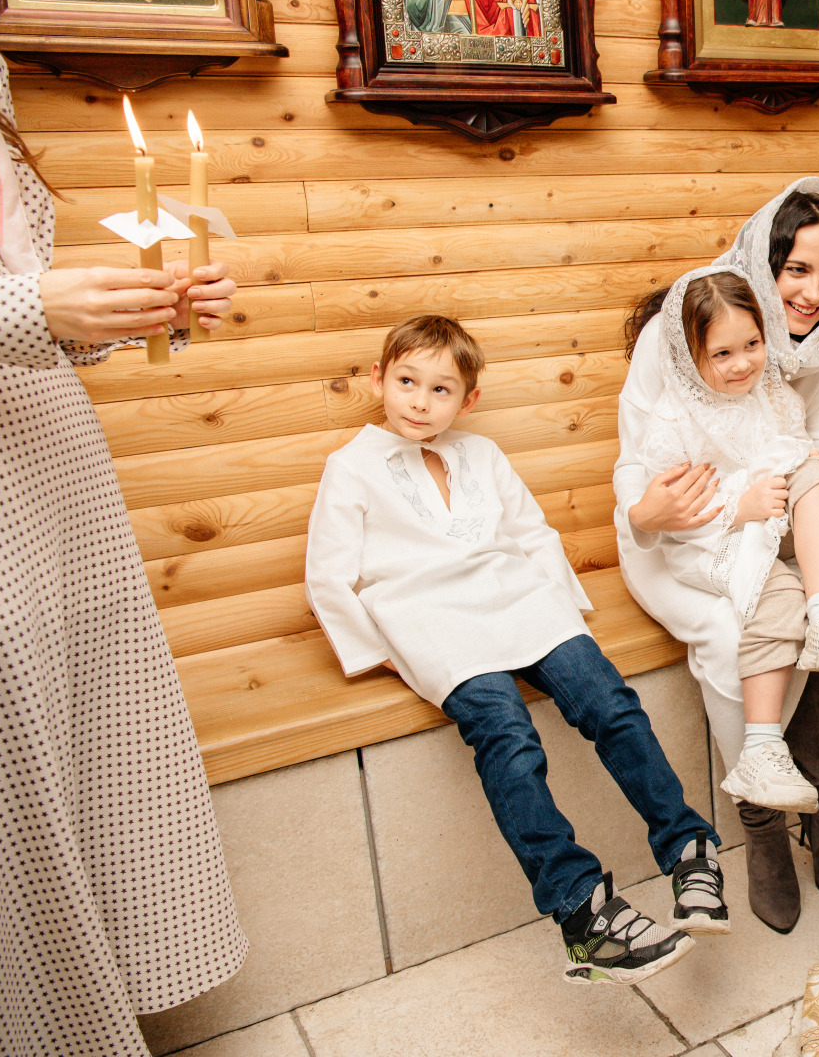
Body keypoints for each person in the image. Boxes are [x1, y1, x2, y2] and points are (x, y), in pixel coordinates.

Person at [305, 315, 727, 986]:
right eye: (407, 381)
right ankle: (581, 912)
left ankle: (688, 847)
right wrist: (383, 652)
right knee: (507, 733)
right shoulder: (351, 467)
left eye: (440, 389)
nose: (420, 400)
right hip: (430, 620)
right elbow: (328, 575)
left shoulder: (483, 456)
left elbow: (533, 538)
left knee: (608, 700)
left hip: (519, 601)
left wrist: (562, 618)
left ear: (467, 399)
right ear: (380, 379)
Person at [0, 38, 248, 1055]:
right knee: (7, 788)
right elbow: (14, 305)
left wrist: (140, 307)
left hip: (58, 477)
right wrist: (30, 304)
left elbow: (25, 304)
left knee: (94, 750)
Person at [616, 178, 819, 933]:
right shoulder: (694, 324)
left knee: (811, 611)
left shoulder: (817, 353)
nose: (813, 292)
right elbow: (643, 459)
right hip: (679, 535)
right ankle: (762, 831)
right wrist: (651, 513)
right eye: (796, 270)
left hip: (776, 520)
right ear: (766, 263)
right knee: (746, 623)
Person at [637, 268, 819, 812]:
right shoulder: (675, 422)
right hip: (708, 540)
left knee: (813, 471)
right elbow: (678, 510)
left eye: (752, 344)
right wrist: (736, 508)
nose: (743, 362)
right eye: (722, 354)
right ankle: (762, 750)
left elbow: (790, 450)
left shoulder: (773, 395)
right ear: (688, 356)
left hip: (769, 521)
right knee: (777, 597)